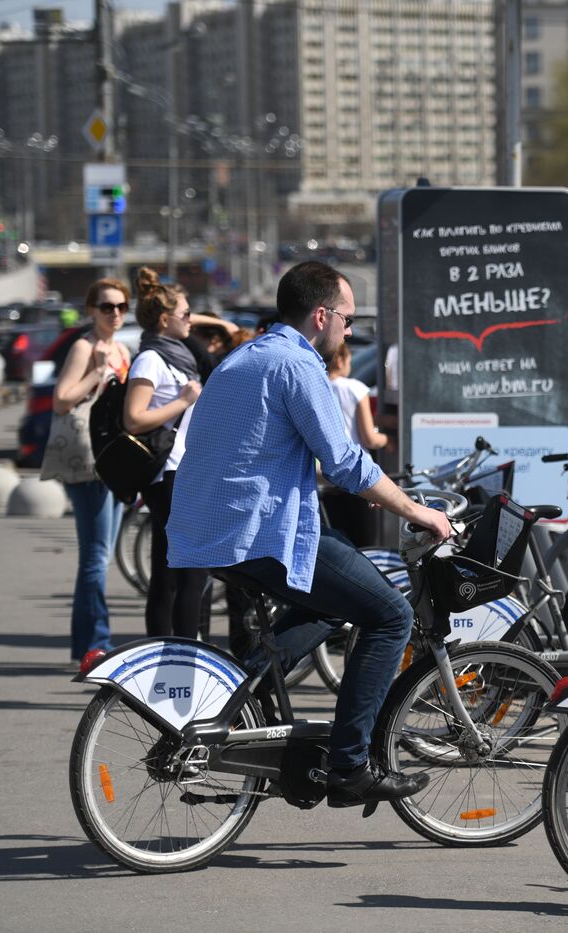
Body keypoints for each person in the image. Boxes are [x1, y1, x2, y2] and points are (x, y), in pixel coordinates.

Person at [167, 260, 452, 808]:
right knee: (390, 615)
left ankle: (244, 688)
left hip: (213, 530)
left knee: (333, 595)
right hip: (258, 533)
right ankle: (348, 767)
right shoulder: (297, 366)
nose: (348, 330)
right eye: (345, 318)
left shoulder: (243, 358)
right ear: (321, 315)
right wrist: (418, 511)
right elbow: (345, 463)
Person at [44, 278, 132, 672]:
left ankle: (87, 643)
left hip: (111, 457)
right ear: (92, 310)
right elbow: (62, 399)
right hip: (87, 460)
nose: (115, 313)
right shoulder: (85, 347)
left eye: (121, 307)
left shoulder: (123, 348)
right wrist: (97, 372)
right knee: (95, 558)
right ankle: (97, 644)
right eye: (107, 306)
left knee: (100, 556)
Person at [123, 267, 210, 642]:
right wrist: (182, 401)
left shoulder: (178, 356)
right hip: (167, 475)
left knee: (172, 572)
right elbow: (134, 418)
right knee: (186, 574)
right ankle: (183, 656)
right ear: (164, 319)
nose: (191, 320)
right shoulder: (150, 360)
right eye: (186, 314)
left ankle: (169, 654)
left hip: (184, 472)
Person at [322, 341, 386, 546]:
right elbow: (369, 438)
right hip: (358, 474)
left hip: (327, 478)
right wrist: (389, 439)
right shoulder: (355, 388)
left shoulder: (318, 387)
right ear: (341, 360)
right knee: (365, 543)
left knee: (339, 539)